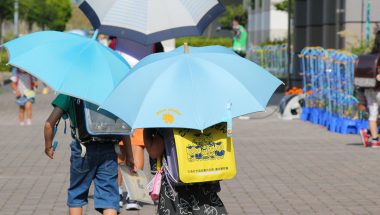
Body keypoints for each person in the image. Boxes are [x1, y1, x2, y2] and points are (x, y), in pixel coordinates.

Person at [44, 94, 134, 215]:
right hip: (109, 148)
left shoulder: (71, 91)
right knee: (109, 198)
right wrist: (130, 155)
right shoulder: (111, 91)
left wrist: (48, 146)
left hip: (82, 149)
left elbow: (49, 124)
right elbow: (123, 126)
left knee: (77, 195)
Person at [144, 128, 228, 215]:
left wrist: (146, 131)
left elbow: (155, 151)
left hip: (175, 190)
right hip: (204, 178)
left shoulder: (166, 119)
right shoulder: (205, 117)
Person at [359, 30, 380, 147]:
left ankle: (374, 140)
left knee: (373, 114)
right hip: (378, 89)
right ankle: (369, 133)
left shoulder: (370, 57)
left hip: (369, 88)